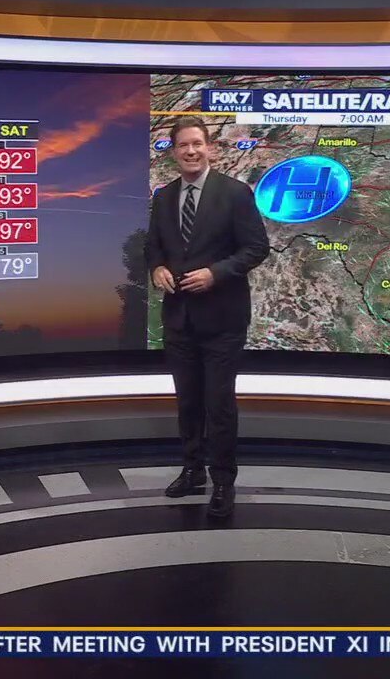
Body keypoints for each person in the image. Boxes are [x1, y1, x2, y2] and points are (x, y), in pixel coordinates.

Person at [145, 116, 270, 517]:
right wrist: (157, 268)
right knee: (188, 403)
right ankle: (192, 470)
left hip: (222, 321)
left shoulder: (234, 193)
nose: (191, 151)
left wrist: (216, 273)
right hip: (179, 319)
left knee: (218, 405)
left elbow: (256, 248)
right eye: (183, 145)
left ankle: (223, 481)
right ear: (174, 151)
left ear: (209, 147)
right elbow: (153, 247)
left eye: (197, 143)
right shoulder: (165, 197)